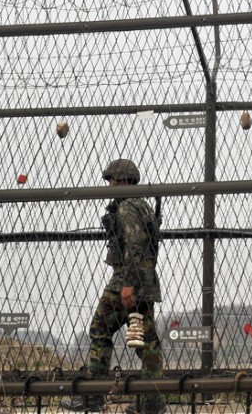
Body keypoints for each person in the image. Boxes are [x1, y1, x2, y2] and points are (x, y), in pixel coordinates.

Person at [62, 159, 166, 414]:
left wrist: (128, 284)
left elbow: (134, 246)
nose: (108, 185)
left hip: (127, 279)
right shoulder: (142, 206)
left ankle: (92, 396)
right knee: (146, 339)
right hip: (147, 281)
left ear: (120, 181)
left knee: (100, 328)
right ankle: (152, 399)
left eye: (111, 180)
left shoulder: (127, 208)